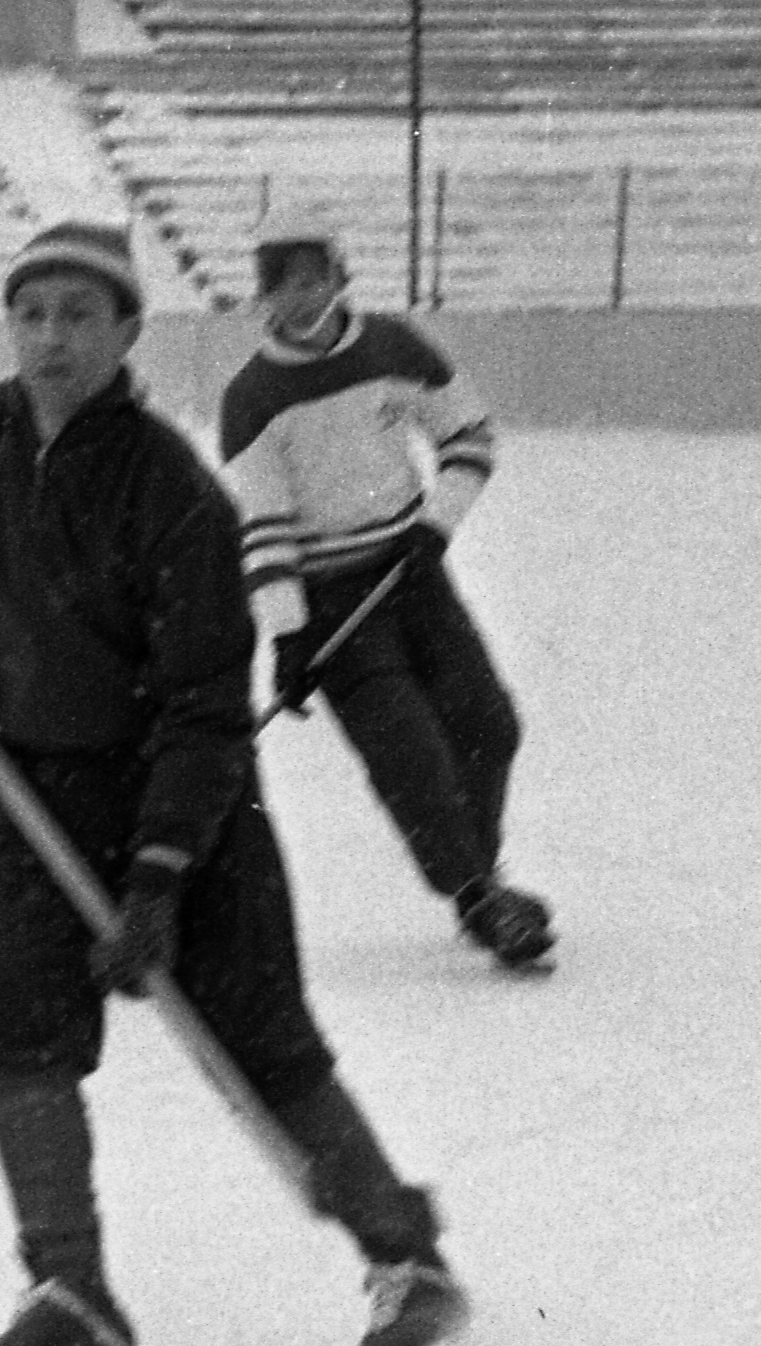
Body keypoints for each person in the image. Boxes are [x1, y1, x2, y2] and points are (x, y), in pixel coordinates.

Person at [0, 219, 471, 1346]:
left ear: (128, 331)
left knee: (261, 1044)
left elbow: (204, 708)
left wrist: (155, 882)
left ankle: (408, 1259)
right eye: (32, 314)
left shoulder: (172, 490)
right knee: (17, 1025)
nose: (51, 338)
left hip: (188, 805)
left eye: (79, 316)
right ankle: (70, 1294)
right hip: (35, 787)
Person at [219, 212, 551, 973]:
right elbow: (265, 530)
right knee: (412, 759)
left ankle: (477, 878)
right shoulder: (252, 397)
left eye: (314, 279)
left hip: (413, 576)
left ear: (339, 277)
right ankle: (479, 895)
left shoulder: (393, 348)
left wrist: (434, 526)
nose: (301, 297)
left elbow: (469, 436)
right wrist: (288, 636)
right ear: (264, 295)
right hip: (333, 606)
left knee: (489, 724)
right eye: (283, 285)